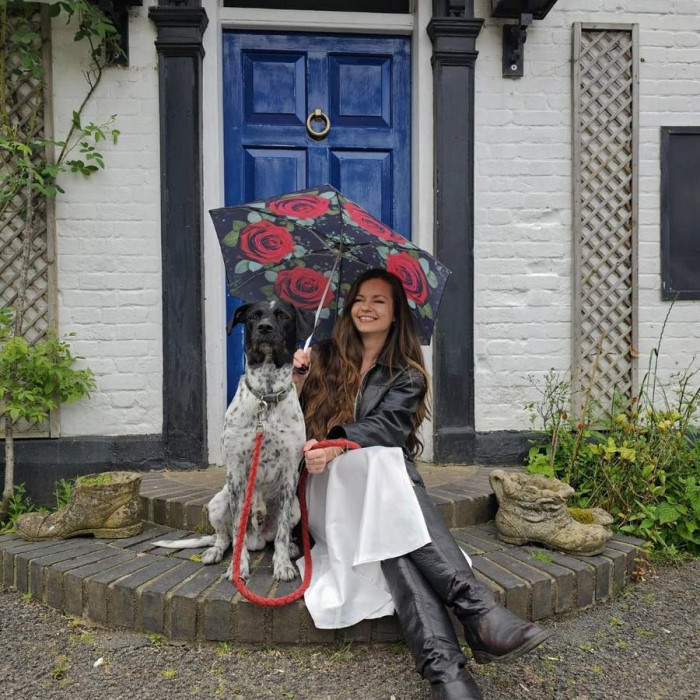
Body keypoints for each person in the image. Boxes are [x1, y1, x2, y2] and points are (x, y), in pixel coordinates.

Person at [292, 268, 550, 700]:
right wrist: (297, 384)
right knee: (384, 480)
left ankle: (448, 676)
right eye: (360, 299)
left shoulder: (407, 375)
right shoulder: (321, 357)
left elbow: (389, 427)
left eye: (379, 301)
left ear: (395, 314)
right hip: (327, 490)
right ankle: (480, 612)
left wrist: (340, 444)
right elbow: (284, 427)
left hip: (378, 493)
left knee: (392, 532)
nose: (367, 308)